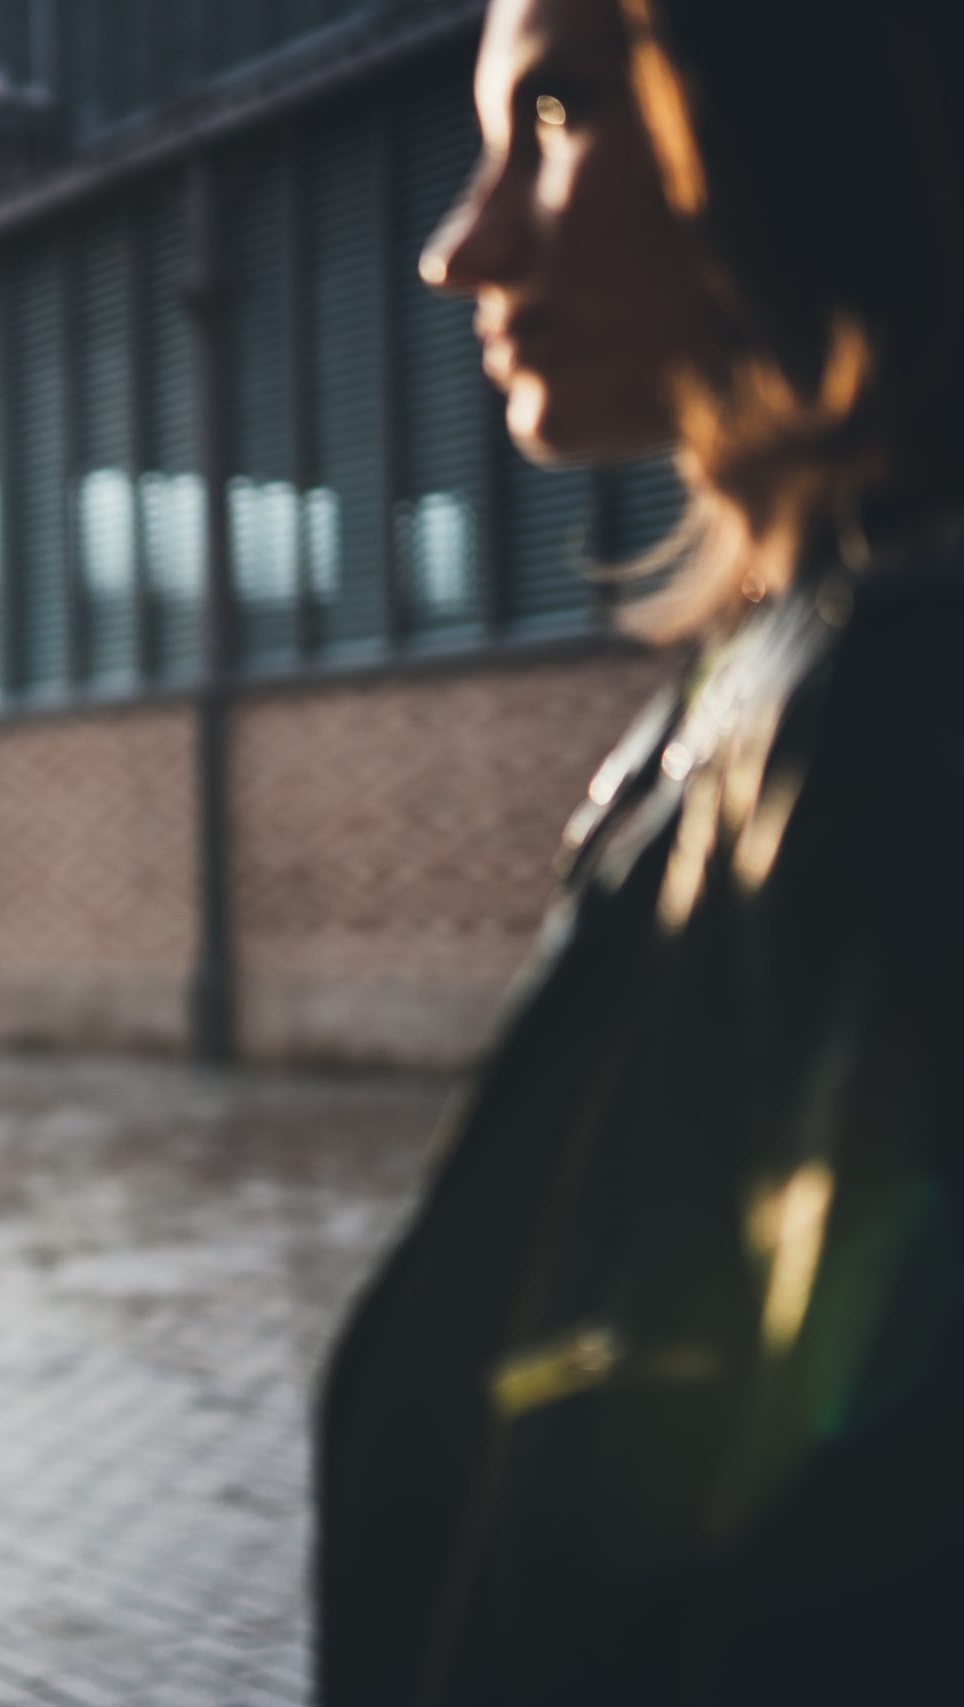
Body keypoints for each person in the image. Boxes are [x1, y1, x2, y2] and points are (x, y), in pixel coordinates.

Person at [318, 1, 964, 1701]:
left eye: (554, 110)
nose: (461, 249)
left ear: (794, 105)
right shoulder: (780, 683)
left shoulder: (888, 710)